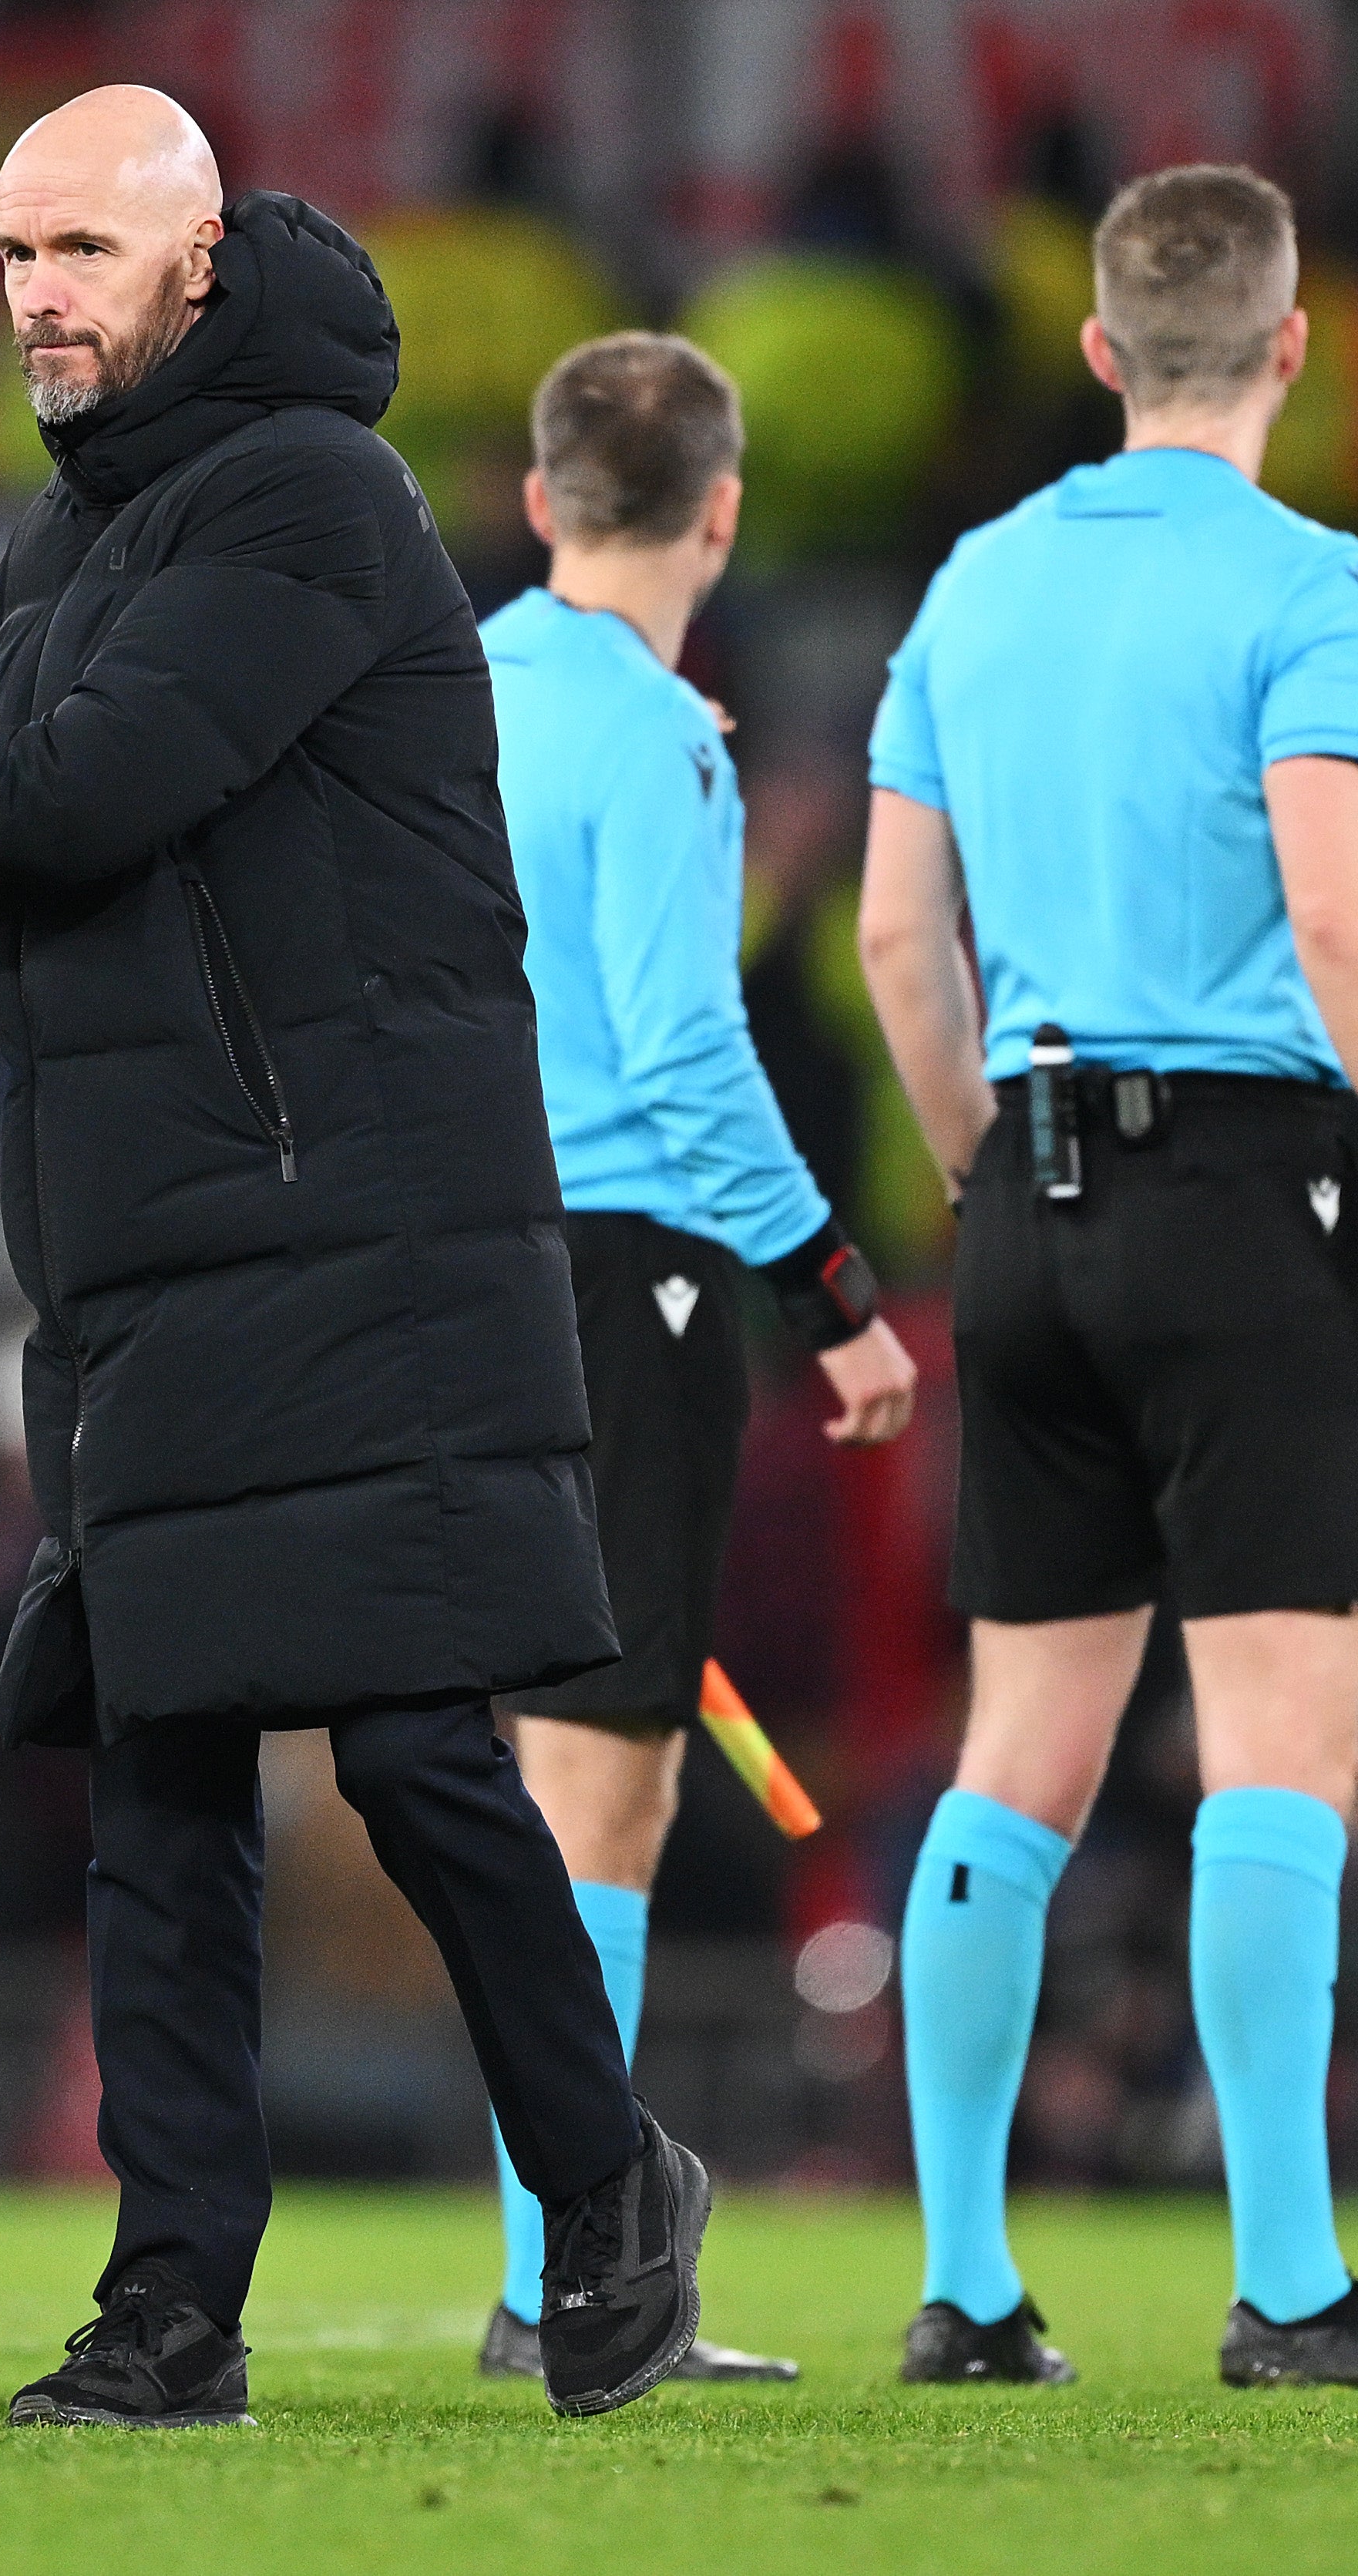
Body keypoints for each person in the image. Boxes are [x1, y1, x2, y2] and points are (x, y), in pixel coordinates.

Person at [0, 85, 705, 2429]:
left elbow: (59, 792)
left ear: (198, 263)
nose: (35, 298)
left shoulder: (304, 495)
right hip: (153, 1257)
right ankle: (173, 2304)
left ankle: (608, 2188)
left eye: (78, 250)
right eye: (6, 256)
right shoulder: (90, 535)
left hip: (355, 1234)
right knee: (158, 1775)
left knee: (406, 1748)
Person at [856, 163, 1358, 2392]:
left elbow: (892, 939)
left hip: (1028, 1198)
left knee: (1013, 1768)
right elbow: (1345, 919)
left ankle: (963, 2289)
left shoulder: (969, 581)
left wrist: (989, 1177)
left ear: (1089, 353)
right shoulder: (1309, 579)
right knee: (1276, 1749)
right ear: (1290, 349)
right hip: (1245, 1198)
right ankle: (1287, 2288)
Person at [471, 331, 919, 2389]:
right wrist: (833, 1287)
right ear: (717, 514)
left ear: (540, 495)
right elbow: (685, 1054)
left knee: (503, 1760)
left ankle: (546, 2261)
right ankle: (570, 2272)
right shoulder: (653, 739)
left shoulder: (444, 686)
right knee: (601, 1781)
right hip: (624, 1271)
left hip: (447, 1261)